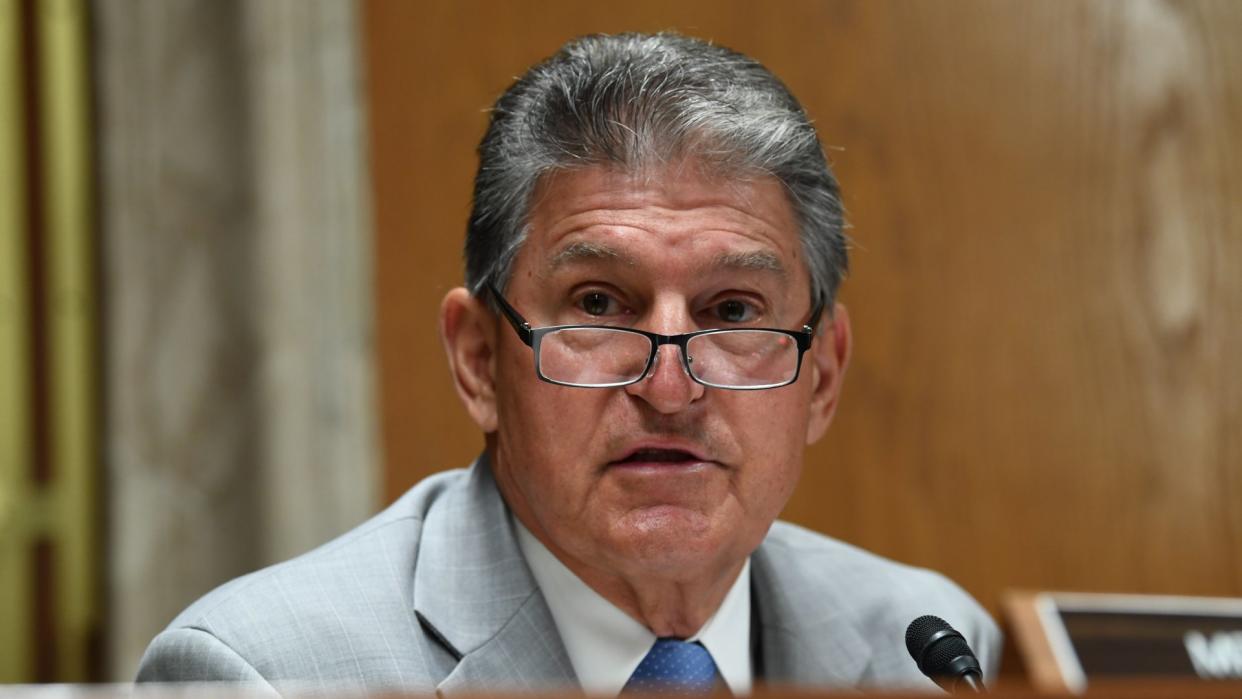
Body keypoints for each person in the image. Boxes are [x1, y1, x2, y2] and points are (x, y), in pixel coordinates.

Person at [137, 32, 1000, 695]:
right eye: (599, 304)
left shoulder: (925, 648)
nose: (670, 387)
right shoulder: (266, 673)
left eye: (732, 310)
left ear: (824, 376)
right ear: (479, 360)